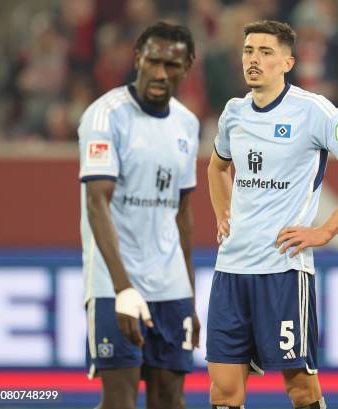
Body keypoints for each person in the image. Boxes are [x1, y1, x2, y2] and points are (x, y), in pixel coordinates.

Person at [207, 20, 338, 409]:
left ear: (288, 62)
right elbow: (217, 167)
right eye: (248, 51)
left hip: (283, 271)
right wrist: (224, 214)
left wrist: (325, 231)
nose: (254, 60)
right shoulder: (234, 113)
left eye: (265, 52)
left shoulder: (313, 110)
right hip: (231, 270)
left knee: (300, 388)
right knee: (223, 391)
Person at [78, 22, 200, 409]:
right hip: (115, 284)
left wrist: (190, 297)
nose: (161, 73)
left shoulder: (187, 123)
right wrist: (122, 289)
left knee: (169, 401)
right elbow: (97, 203)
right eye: (153, 61)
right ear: (137, 59)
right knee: (120, 402)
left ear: (187, 67)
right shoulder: (105, 116)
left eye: (172, 64)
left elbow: (182, 214)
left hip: (171, 287)